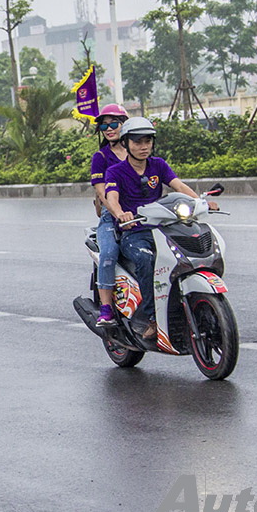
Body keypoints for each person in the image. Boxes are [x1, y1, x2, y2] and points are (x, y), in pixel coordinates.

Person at [103, 118, 216, 341]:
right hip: (134, 232)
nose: (143, 146)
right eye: (137, 142)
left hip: (161, 228)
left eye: (147, 141)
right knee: (146, 260)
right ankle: (151, 318)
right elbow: (111, 198)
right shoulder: (116, 171)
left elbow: (179, 186)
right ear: (125, 144)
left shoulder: (158, 165)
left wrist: (201, 201)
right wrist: (120, 214)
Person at [88, 105, 129, 328]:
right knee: (109, 253)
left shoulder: (138, 153)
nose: (109, 128)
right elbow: (102, 193)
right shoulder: (101, 157)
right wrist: (117, 213)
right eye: (104, 125)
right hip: (111, 217)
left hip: (140, 214)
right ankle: (106, 308)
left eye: (114, 123)